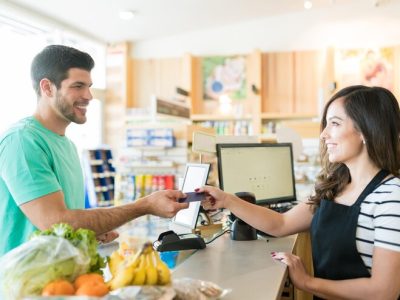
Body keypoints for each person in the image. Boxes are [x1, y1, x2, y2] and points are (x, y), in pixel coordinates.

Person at [200, 85, 400, 299]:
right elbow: (281, 224)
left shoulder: (391, 196)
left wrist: (308, 282)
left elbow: (384, 291)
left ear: (366, 130)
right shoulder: (335, 186)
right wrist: (227, 200)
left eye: (334, 123)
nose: (324, 134)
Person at [0, 45, 189, 257]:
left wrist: (91, 231)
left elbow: (68, 222)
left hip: (64, 278)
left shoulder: (67, 145)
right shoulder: (23, 140)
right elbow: (56, 222)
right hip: (27, 284)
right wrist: (142, 206)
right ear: (47, 88)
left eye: (89, 86)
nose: (88, 96)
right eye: (78, 86)